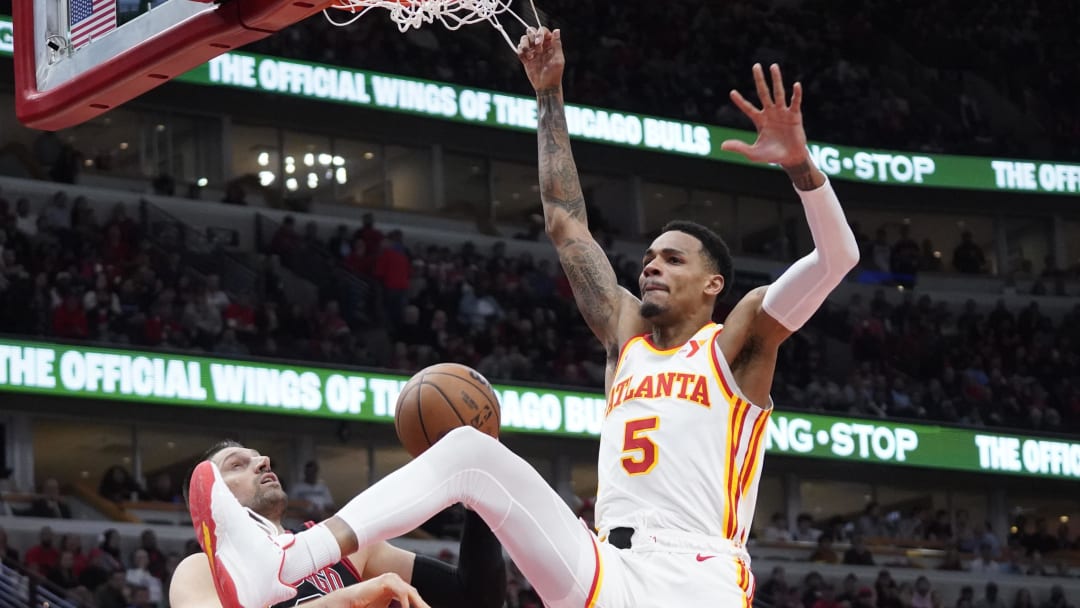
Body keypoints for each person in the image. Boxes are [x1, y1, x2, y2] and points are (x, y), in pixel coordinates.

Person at [187, 28, 857, 608]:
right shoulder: (624, 334)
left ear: (713, 283)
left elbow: (837, 259)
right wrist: (548, 96)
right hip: (606, 566)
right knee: (475, 455)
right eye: (649, 255)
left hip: (696, 576)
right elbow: (567, 223)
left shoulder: (737, 339)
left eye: (673, 260)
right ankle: (284, 562)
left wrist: (802, 170)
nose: (651, 265)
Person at [170, 441, 505, 608]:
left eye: (258, 457)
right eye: (237, 465)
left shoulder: (352, 551)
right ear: (208, 500)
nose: (262, 461)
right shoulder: (200, 569)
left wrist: (479, 492)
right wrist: (351, 598)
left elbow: (475, 598)